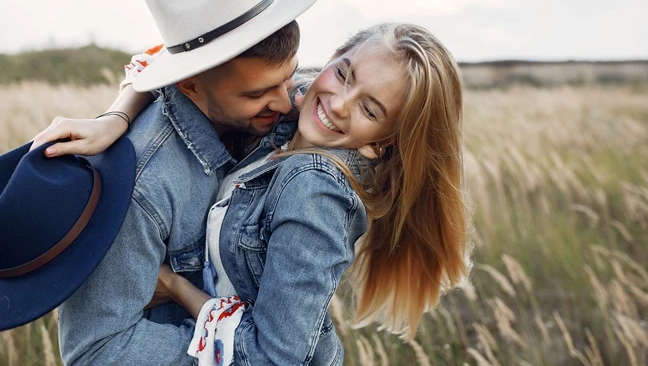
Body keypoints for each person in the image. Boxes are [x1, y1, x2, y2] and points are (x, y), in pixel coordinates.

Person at [35, 23, 471, 365]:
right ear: (333, 59)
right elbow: (165, 62)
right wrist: (117, 117)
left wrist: (175, 286)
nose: (340, 103)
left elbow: (276, 359)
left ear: (380, 144)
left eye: (369, 109)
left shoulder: (314, 192)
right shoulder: (299, 107)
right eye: (344, 73)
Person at [31, 0, 324, 365]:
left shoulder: (285, 104)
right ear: (188, 84)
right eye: (257, 94)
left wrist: (118, 113)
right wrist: (235, 354)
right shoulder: (142, 187)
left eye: (289, 77)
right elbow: (96, 351)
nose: (285, 104)